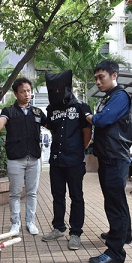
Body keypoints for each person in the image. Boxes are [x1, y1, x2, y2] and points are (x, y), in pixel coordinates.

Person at [83, 60, 132, 263]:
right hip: (108, 157)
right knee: (115, 200)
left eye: (101, 77)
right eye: (96, 78)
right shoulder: (109, 97)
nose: (97, 82)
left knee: (115, 203)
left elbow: (102, 120)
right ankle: (122, 234)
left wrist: (87, 115)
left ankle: (115, 252)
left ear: (114, 76)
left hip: (115, 157)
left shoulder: (120, 96)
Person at [0, 77, 47, 235]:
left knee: (32, 192)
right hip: (15, 160)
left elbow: (51, 125)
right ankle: (15, 223)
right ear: (15, 93)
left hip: (34, 158)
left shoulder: (37, 112)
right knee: (15, 193)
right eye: (23, 91)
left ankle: (30, 222)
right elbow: (0, 122)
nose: (27, 94)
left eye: (28, 91)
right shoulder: (8, 111)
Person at [41, 70, 92, 250]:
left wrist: (80, 149)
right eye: (52, 90)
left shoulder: (81, 107)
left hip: (75, 161)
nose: (55, 92)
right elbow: (52, 129)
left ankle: (76, 233)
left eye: (58, 89)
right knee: (57, 195)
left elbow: (87, 132)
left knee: (76, 197)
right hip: (56, 160)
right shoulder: (51, 109)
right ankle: (58, 227)